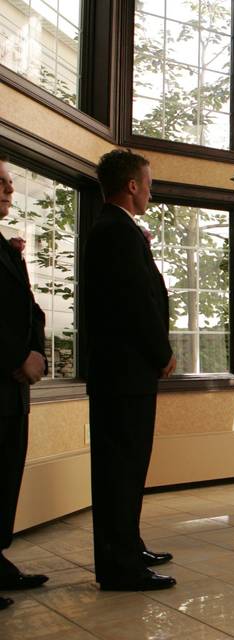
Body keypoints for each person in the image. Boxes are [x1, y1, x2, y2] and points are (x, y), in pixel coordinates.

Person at [83, 150, 176, 591]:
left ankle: (129, 544)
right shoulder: (115, 232)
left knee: (130, 467)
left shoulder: (118, 229)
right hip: (124, 374)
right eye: (149, 182)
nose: (152, 190)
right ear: (132, 185)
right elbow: (137, 305)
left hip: (126, 373)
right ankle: (120, 566)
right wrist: (162, 353)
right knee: (120, 470)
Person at [0, 154, 49, 609]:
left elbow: (31, 309)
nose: (8, 191)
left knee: (5, 475)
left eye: (11, 186)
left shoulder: (5, 247)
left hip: (14, 388)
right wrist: (17, 356)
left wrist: (35, 354)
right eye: (1, 183)